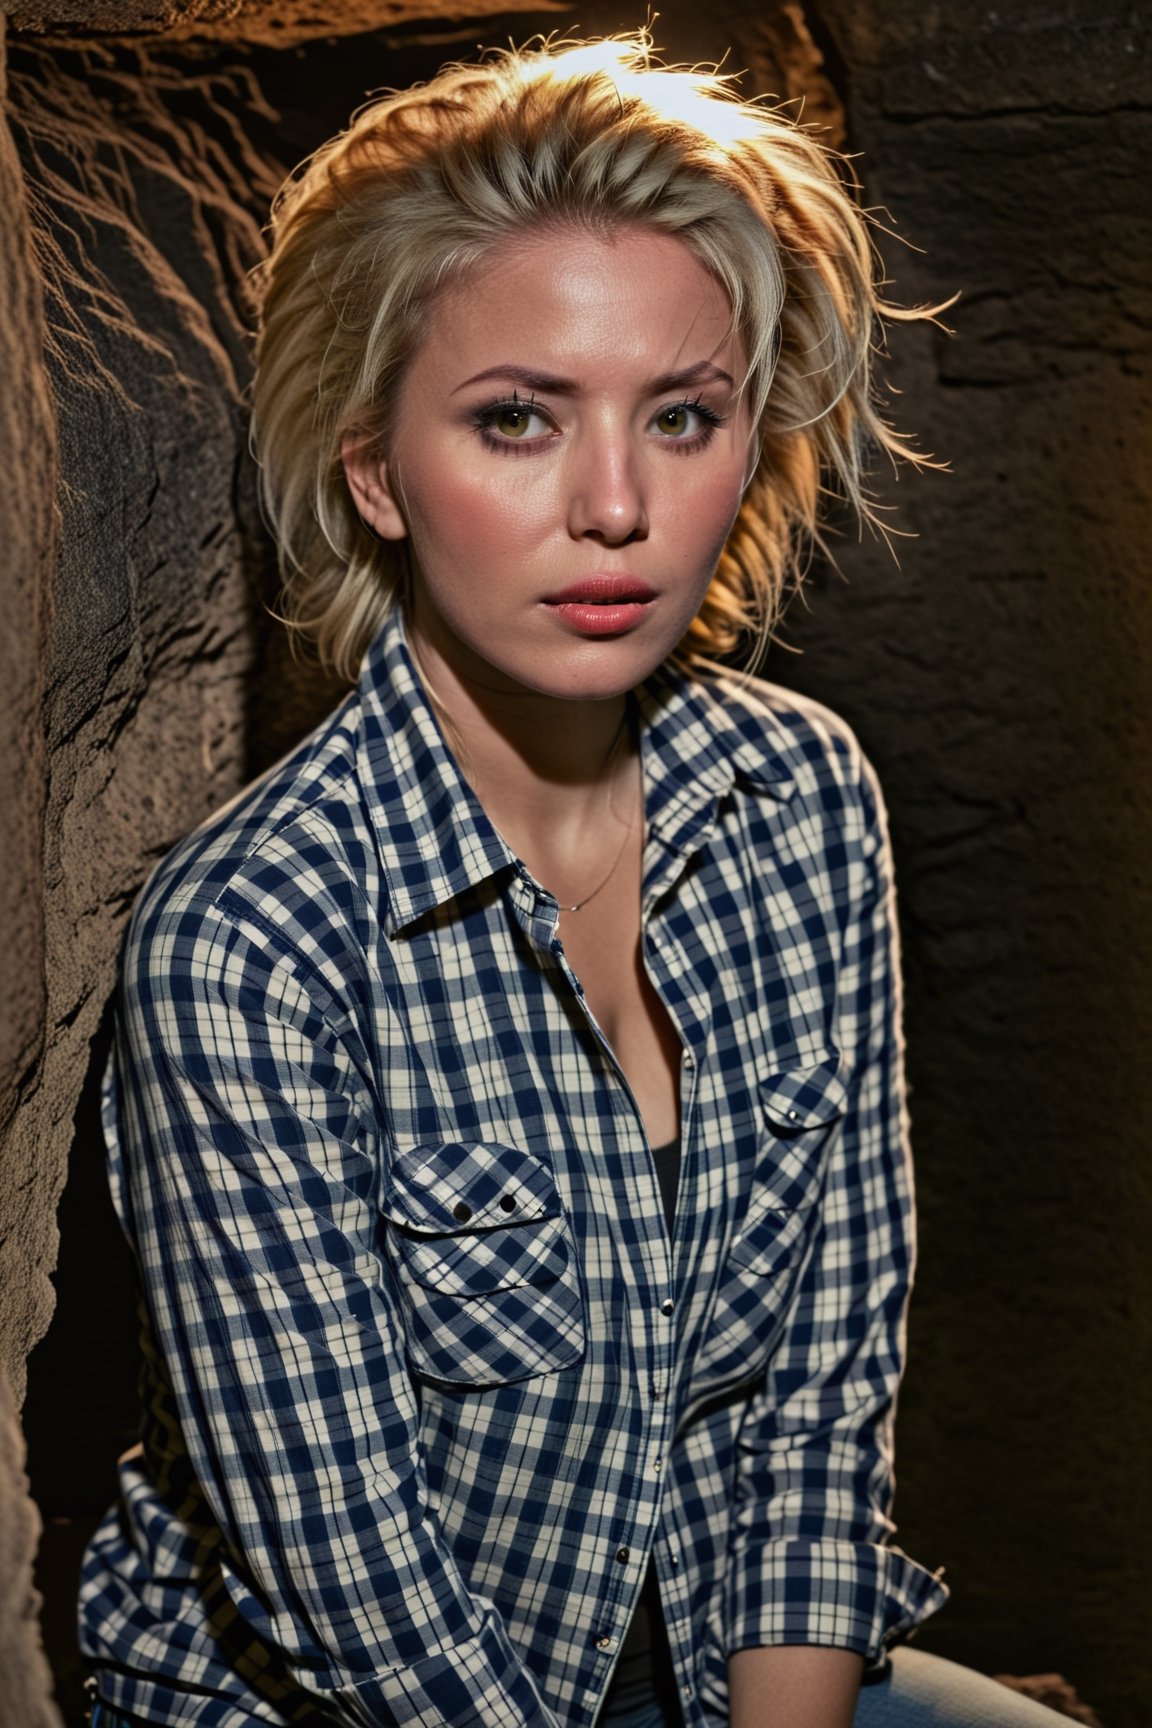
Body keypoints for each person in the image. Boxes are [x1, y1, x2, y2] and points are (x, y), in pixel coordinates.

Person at [79, 34, 1068, 1728]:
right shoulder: (249, 941)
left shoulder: (804, 799)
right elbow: (353, 1591)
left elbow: (817, 1409)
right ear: (375, 470)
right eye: (517, 419)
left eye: (682, 417)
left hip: (700, 1668)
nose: (616, 507)